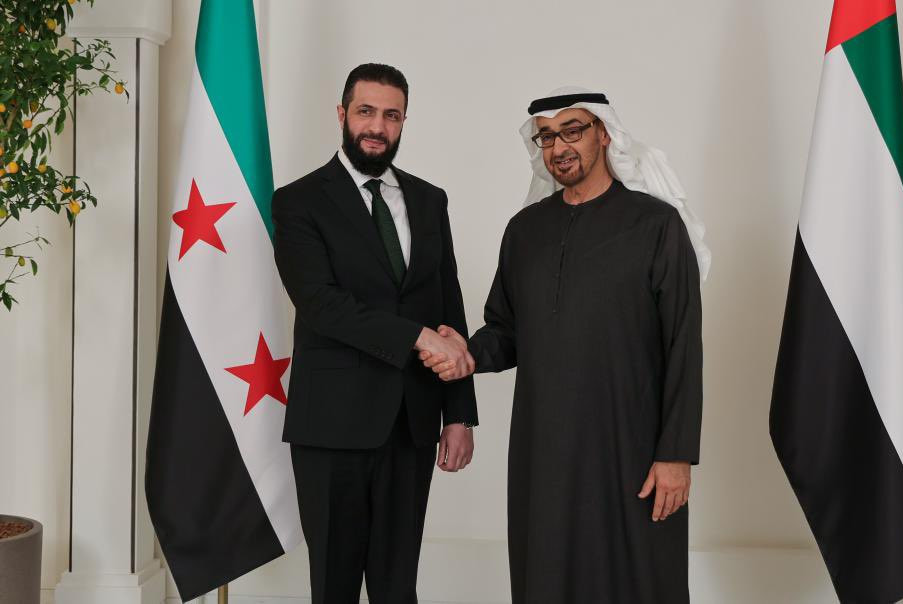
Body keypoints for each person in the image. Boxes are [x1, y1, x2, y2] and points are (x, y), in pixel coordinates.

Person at [422, 87, 708, 603]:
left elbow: (683, 345)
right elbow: (507, 331)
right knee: (549, 573)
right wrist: (467, 354)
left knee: (640, 579)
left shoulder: (656, 224)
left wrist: (676, 454)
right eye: (547, 137)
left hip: (633, 447)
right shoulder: (525, 230)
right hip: (545, 450)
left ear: (604, 134)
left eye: (573, 131)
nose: (559, 147)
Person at [272, 63, 477, 604]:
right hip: (331, 426)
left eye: (391, 115)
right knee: (334, 587)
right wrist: (418, 337)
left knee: (397, 587)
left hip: (412, 423)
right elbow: (321, 305)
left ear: (404, 121)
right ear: (342, 114)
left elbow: (449, 308)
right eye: (366, 111)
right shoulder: (298, 201)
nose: (377, 127)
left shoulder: (430, 200)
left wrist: (459, 413)